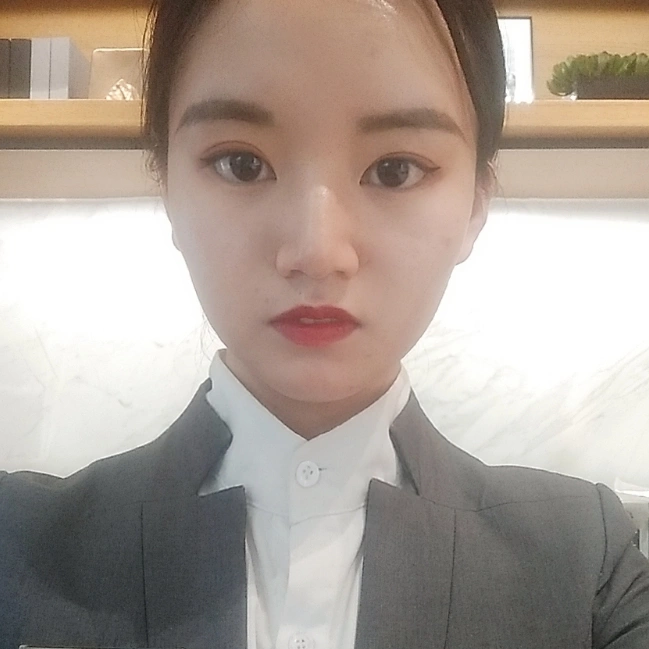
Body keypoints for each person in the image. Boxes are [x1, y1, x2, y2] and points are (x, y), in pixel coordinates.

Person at [1, 0, 648, 646]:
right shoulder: (17, 543)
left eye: (394, 170)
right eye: (241, 163)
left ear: (476, 202)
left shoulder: (582, 562)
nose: (317, 252)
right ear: (165, 184)